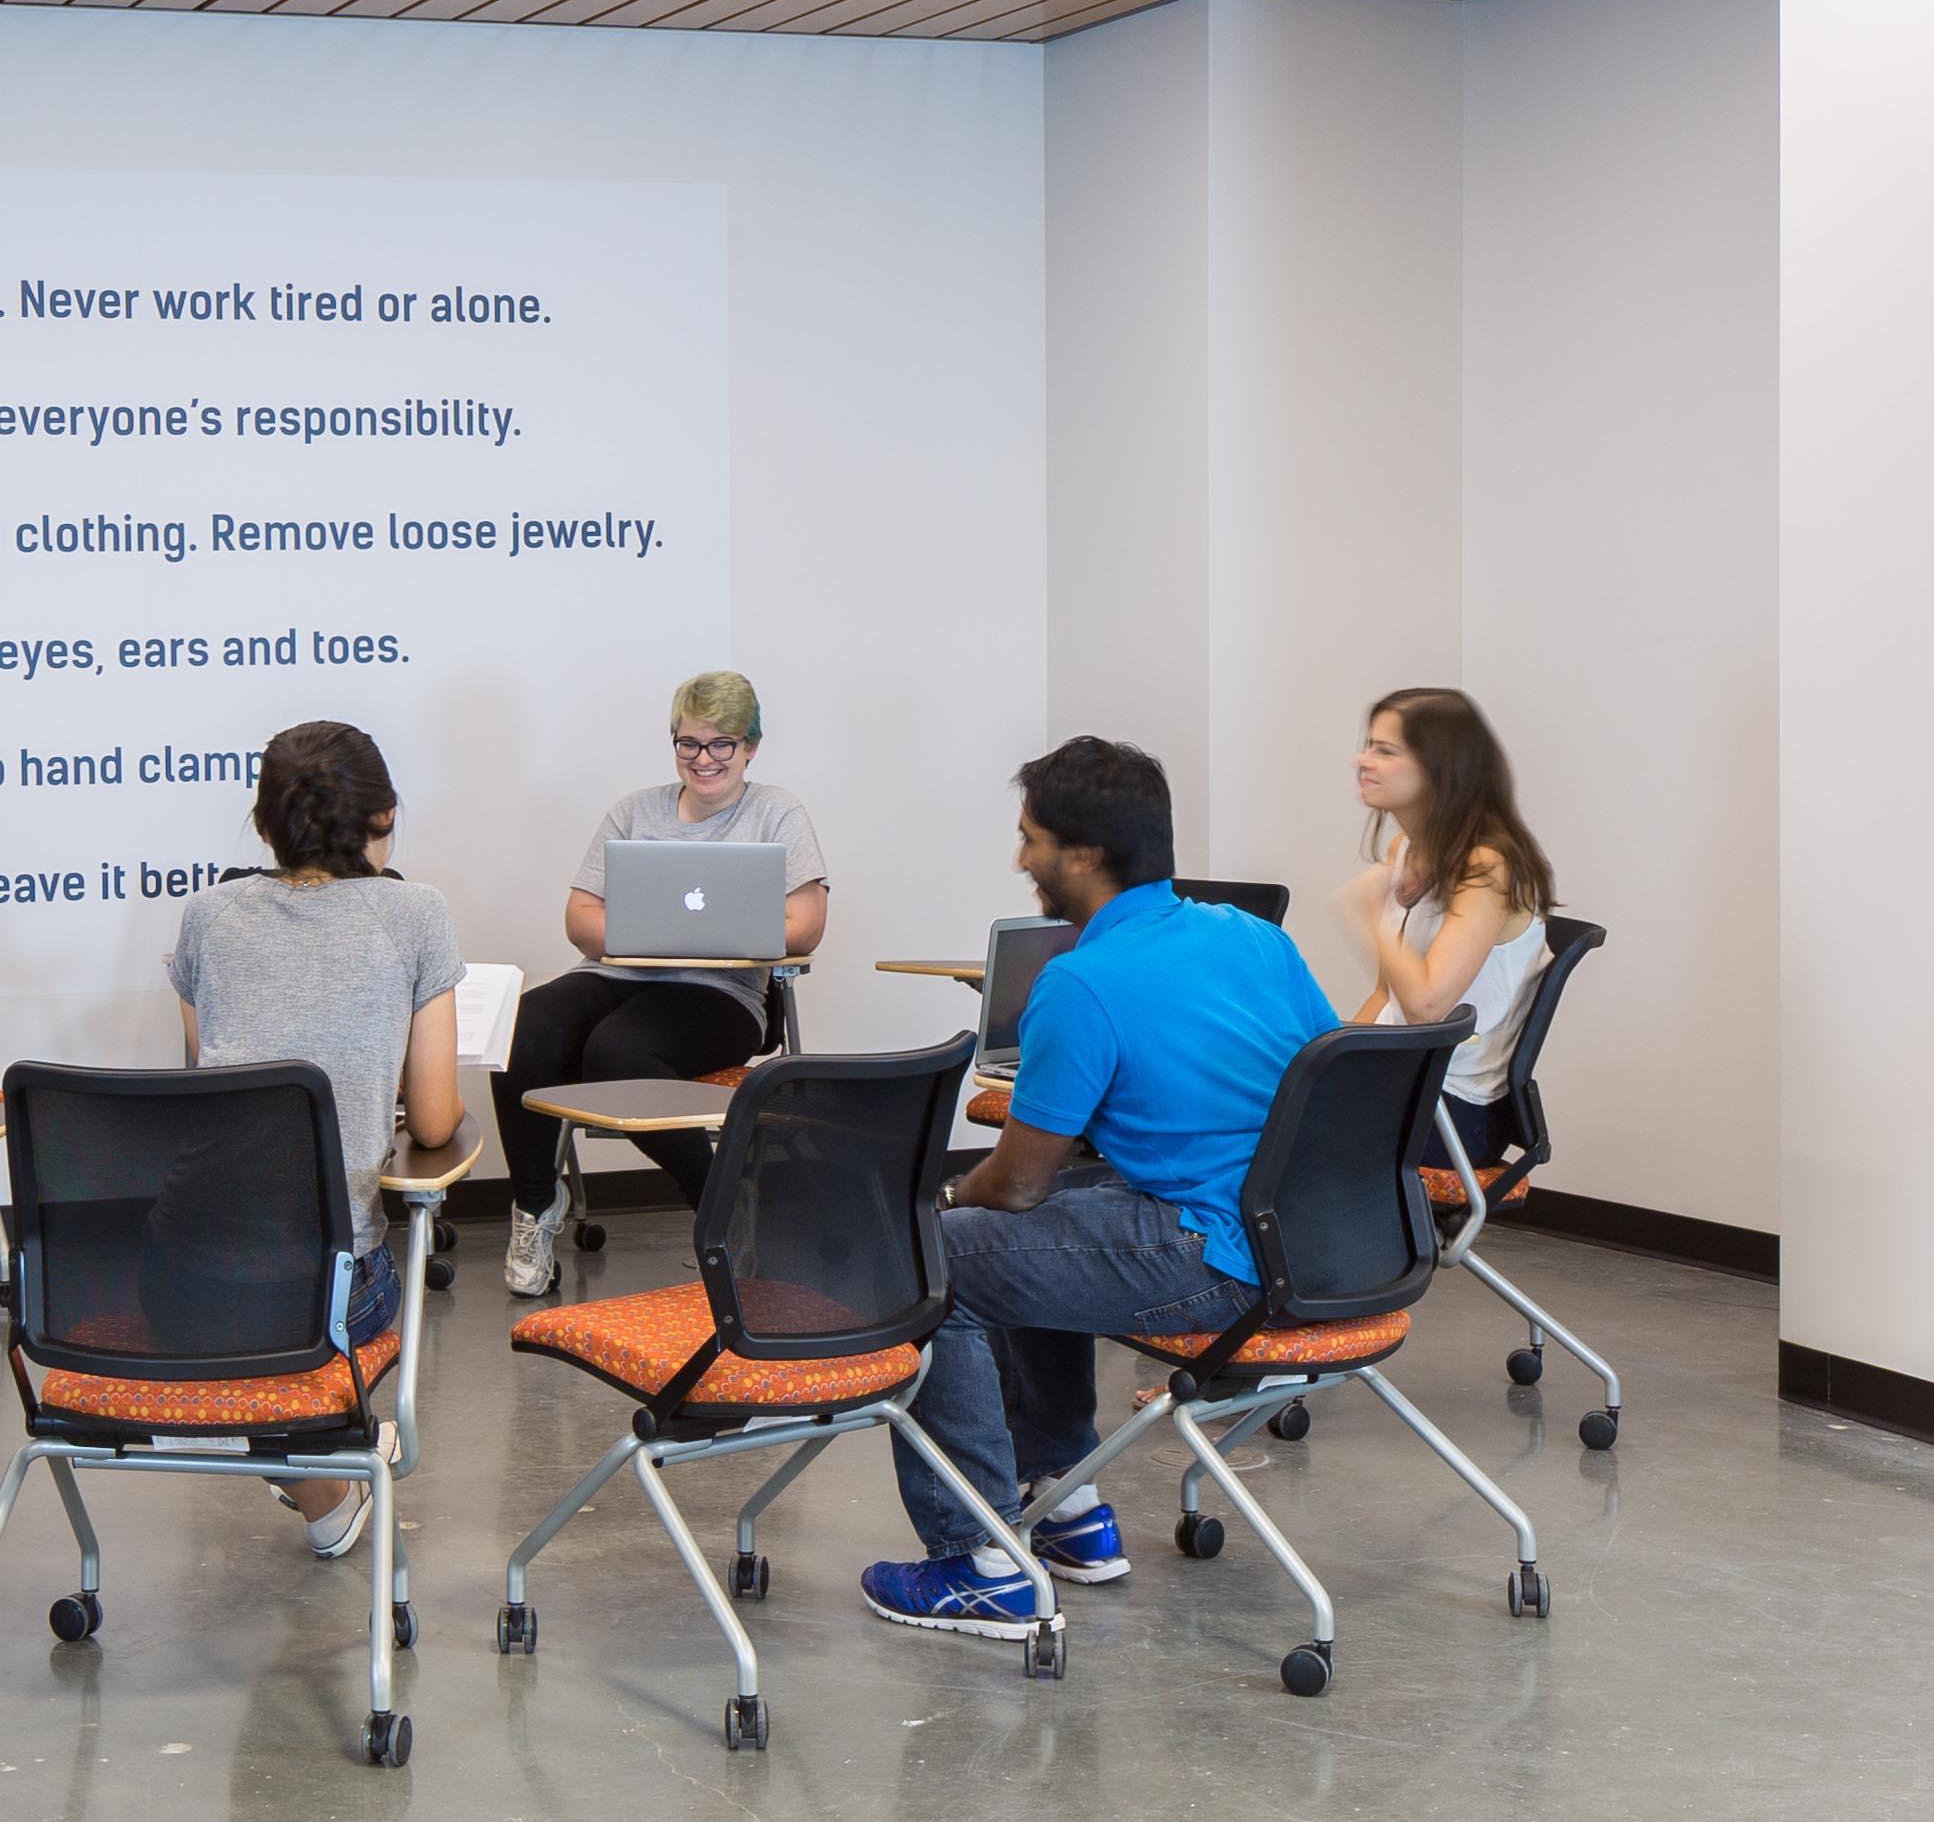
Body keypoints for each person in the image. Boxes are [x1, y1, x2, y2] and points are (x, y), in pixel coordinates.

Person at [859, 737, 1337, 1641]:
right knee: (1037, 1236)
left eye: (1031, 838)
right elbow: (1323, 1085)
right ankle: (1067, 1503)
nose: (1021, 859)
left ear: (1082, 855)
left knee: (932, 1256)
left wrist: (946, 1205)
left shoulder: (1079, 981)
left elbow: (1017, 1184)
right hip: (1310, 1237)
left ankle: (977, 1561)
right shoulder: (1256, 940)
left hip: (1212, 1253)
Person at [163, 721, 466, 1562]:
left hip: (173, 1282)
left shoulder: (207, 917)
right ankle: (320, 1470)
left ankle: (271, 1422)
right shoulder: (417, 914)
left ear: (264, 823)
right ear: (385, 818)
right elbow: (436, 1124)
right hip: (324, 1300)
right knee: (359, 1266)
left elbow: (214, 1079)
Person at [491, 671, 827, 1295]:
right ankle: (536, 1205)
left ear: (750, 746)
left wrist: (688, 938)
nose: (704, 760)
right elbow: (579, 919)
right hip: (617, 975)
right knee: (521, 1026)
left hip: (720, 994)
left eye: (720, 744)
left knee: (617, 1051)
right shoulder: (635, 811)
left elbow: (804, 927)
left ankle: (719, 1207)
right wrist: (653, 935)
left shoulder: (778, 813)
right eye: (689, 744)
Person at [1334, 687, 1558, 1172]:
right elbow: (1386, 1001)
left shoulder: (1489, 867)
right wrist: (1326, 1052)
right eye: (1368, 745)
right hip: (1402, 1085)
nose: (1362, 760)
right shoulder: (1404, 854)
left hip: (1453, 1110)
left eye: (1385, 751)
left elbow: (1427, 1007)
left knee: (1253, 1133)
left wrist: (1371, 917)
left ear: (1439, 769)